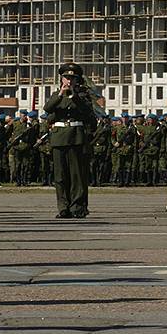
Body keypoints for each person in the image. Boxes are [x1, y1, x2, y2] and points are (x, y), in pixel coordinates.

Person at [43, 63, 97, 218]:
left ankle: (77, 207)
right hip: (59, 137)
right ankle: (63, 207)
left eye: (72, 78)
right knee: (60, 176)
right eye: (67, 77)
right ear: (61, 79)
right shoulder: (56, 95)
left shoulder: (82, 95)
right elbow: (47, 109)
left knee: (76, 175)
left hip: (75, 136)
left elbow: (87, 112)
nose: (69, 80)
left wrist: (73, 95)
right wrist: (61, 94)